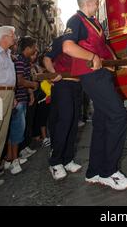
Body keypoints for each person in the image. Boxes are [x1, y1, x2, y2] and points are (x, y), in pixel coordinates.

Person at [62, 0, 127, 191]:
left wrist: (120, 61)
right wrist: (91, 56)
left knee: (102, 122)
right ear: (90, 3)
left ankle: (93, 171)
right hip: (91, 75)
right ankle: (109, 172)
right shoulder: (75, 20)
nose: (98, 5)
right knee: (118, 115)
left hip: (103, 74)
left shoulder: (95, 23)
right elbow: (68, 47)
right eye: (96, 2)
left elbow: (104, 48)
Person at [43, 35, 82, 181]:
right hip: (62, 84)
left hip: (77, 85)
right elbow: (47, 58)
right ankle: (55, 161)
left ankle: (67, 159)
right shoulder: (62, 40)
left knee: (73, 123)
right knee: (64, 121)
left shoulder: (85, 42)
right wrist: (53, 73)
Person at [6, 36, 38, 175]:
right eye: (34, 47)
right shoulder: (19, 61)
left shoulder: (24, 61)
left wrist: (30, 93)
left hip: (22, 99)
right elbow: (20, 81)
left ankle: (11, 158)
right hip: (18, 100)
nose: (36, 49)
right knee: (17, 131)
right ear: (28, 48)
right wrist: (33, 85)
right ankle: (13, 161)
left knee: (15, 131)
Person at [0, 26, 16, 187]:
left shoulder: (8, 54)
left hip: (8, 95)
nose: (14, 38)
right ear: (4, 37)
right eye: (12, 35)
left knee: (2, 133)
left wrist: (13, 96)